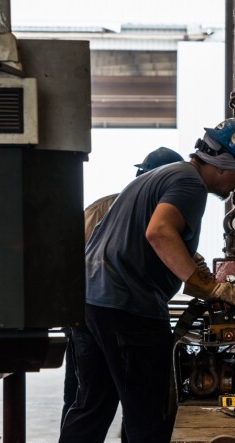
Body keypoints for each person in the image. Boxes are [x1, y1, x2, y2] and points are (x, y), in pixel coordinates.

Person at [43, 116, 235, 443]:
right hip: (128, 309)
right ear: (223, 163)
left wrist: (197, 272)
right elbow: (159, 232)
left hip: (91, 304)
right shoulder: (190, 184)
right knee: (148, 415)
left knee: (91, 409)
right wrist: (211, 288)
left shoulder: (164, 176)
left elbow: (156, 243)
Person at [62, 146, 185, 427]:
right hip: (116, 315)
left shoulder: (107, 208)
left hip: (88, 314)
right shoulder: (137, 212)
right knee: (134, 400)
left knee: (86, 400)